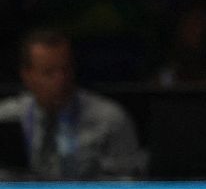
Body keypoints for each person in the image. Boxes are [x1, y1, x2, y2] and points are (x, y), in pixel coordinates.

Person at [0, 30, 146, 180]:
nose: (61, 80)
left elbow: (128, 183)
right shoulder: (5, 118)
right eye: (49, 73)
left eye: (66, 69)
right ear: (26, 76)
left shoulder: (110, 119)